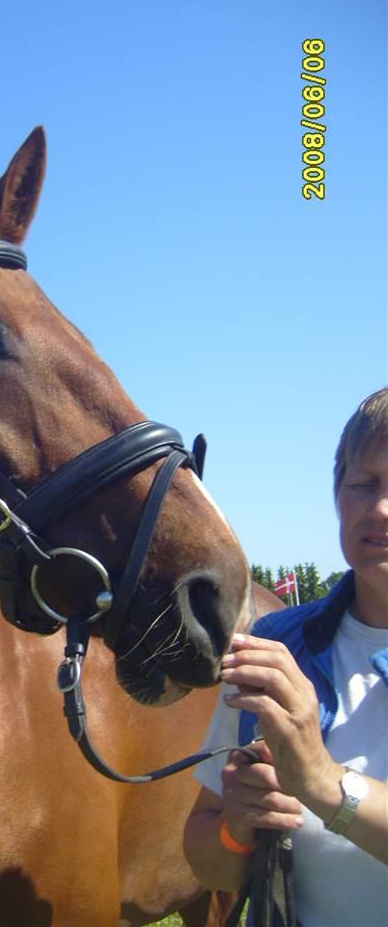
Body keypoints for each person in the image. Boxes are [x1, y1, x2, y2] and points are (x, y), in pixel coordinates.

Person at [184, 388, 388, 927]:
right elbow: (209, 863)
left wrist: (321, 782)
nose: (381, 507)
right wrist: (237, 824)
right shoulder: (276, 645)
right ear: (337, 497)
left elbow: (319, 784)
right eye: (363, 484)